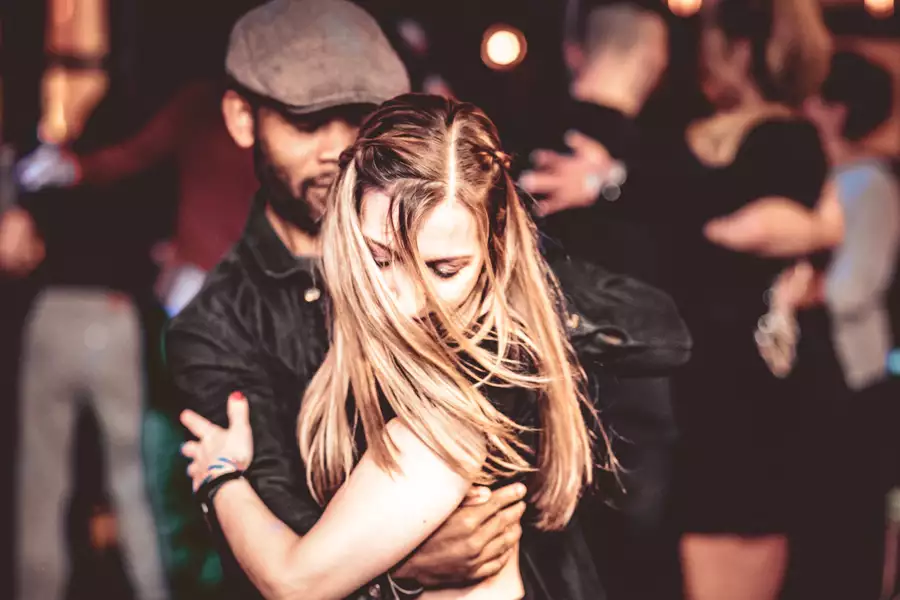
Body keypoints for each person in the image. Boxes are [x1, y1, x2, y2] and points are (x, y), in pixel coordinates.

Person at [166, 2, 603, 599]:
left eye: (358, 120)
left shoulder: (469, 375)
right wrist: (402, 571)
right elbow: (290, 540)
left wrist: (218, 475)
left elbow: (297, 580)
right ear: (243, 118)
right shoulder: (218, 324)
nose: (337, 148)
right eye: (306, 122)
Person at [657, 1, 843, 599]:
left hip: (736, 389)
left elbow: (753, 229)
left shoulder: (782, 138)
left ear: (738, 49)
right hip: (719, 384)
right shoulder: (712, 132)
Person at [520, 5, 684, 598]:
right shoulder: (670, 166)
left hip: (531, 399)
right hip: (634, 412)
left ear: (574, 50)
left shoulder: (514, 143)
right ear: (656, 59)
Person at [798, 50, 900, 600]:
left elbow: (857, 286)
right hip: (819, 374)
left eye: (815, 99)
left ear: (838, 110)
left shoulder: (870, 183)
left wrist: (792, 290)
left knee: (850, 524)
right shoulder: (829, 176)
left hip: (856, 380)